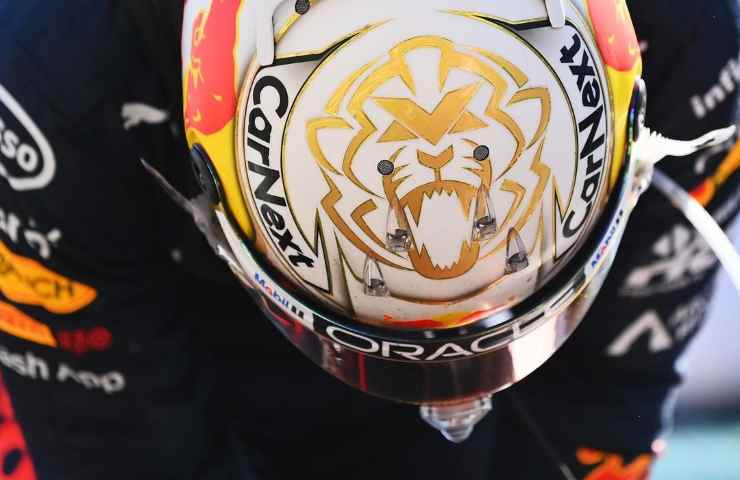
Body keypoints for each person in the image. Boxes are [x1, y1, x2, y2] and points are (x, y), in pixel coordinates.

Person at [0, 1, 737, 479]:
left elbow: (603, 405)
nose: (451, 399)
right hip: (169, 318)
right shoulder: (47, 78)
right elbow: (116, 454)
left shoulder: (695, 46)